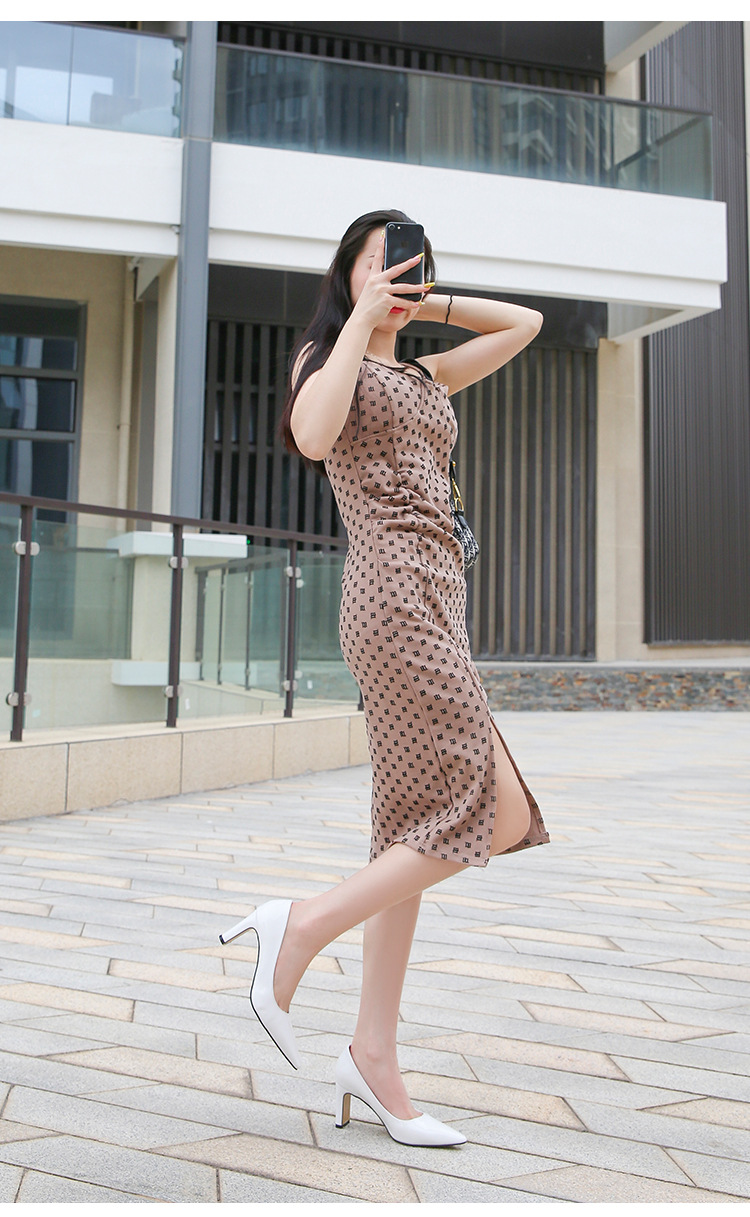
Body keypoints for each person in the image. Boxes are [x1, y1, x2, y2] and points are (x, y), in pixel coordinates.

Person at [220, 209, 549, 1148]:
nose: (400, 279)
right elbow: (313, 436)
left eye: (413, 268)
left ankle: (372, 1057)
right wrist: (362, 315)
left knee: (409, 830)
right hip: (392, 597)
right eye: (383, 264)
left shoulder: (425, 373)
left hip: (441, 599)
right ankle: (300, 925)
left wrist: (422, 302)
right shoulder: (328, 360)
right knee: (498, 810)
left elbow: (525, 323)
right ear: (347, 273)